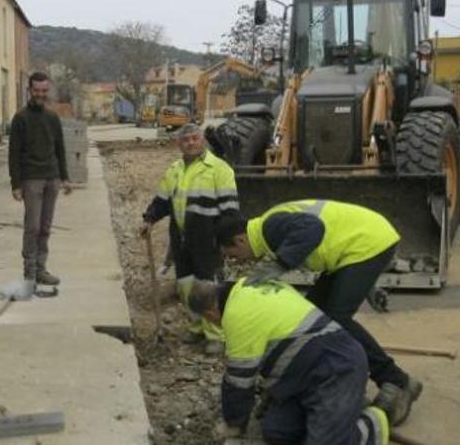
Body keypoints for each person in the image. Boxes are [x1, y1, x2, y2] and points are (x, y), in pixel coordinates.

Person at [215, 199, 422, 425]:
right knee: (314, 315)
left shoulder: (270, 228)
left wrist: (279, 265)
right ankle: (320, 384)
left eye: (233, 255)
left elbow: (315, 229)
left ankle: (397, 381)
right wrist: (366, 285)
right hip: (357, 247)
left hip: (368, 243)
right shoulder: (269, 230)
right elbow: (333, 236)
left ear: (240, 239)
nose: (236, 261)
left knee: (336, 319)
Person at [188, 278, 389, 444]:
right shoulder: (250, 284)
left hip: (336, 368)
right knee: (277, 432)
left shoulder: (236, 314)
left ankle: (371, 424)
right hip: (306, 374)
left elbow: (239, 380)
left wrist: (234, 425)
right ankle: (339, 413)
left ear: (210, 313)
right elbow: (277, 343)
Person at [140, 123, 239, 354]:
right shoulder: (174, 170)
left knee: (209, 287)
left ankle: (215, 334)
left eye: (195, 138)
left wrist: (226, 241)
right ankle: (196, 327)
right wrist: (149, 219)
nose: (191, 143)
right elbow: (162, 201)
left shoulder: (219, 169)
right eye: (186, 140)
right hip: (182, 240)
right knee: (186, 286)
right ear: (178, 143)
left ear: (202, 140)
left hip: (209, 241)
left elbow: (230, 211)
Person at [5, 72, 72, 300]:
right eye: (37, 91)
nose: (41, 94)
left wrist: (64, 176)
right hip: (31, 179)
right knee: (32, 227)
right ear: (30, 90)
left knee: (45, 227)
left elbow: (60, 148)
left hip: (52, 178)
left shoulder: (52, 118)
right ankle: (30, 273)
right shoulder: (20, 119)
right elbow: (13, 154)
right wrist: (16, 184)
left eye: (44, 91)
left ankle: (42, 270)